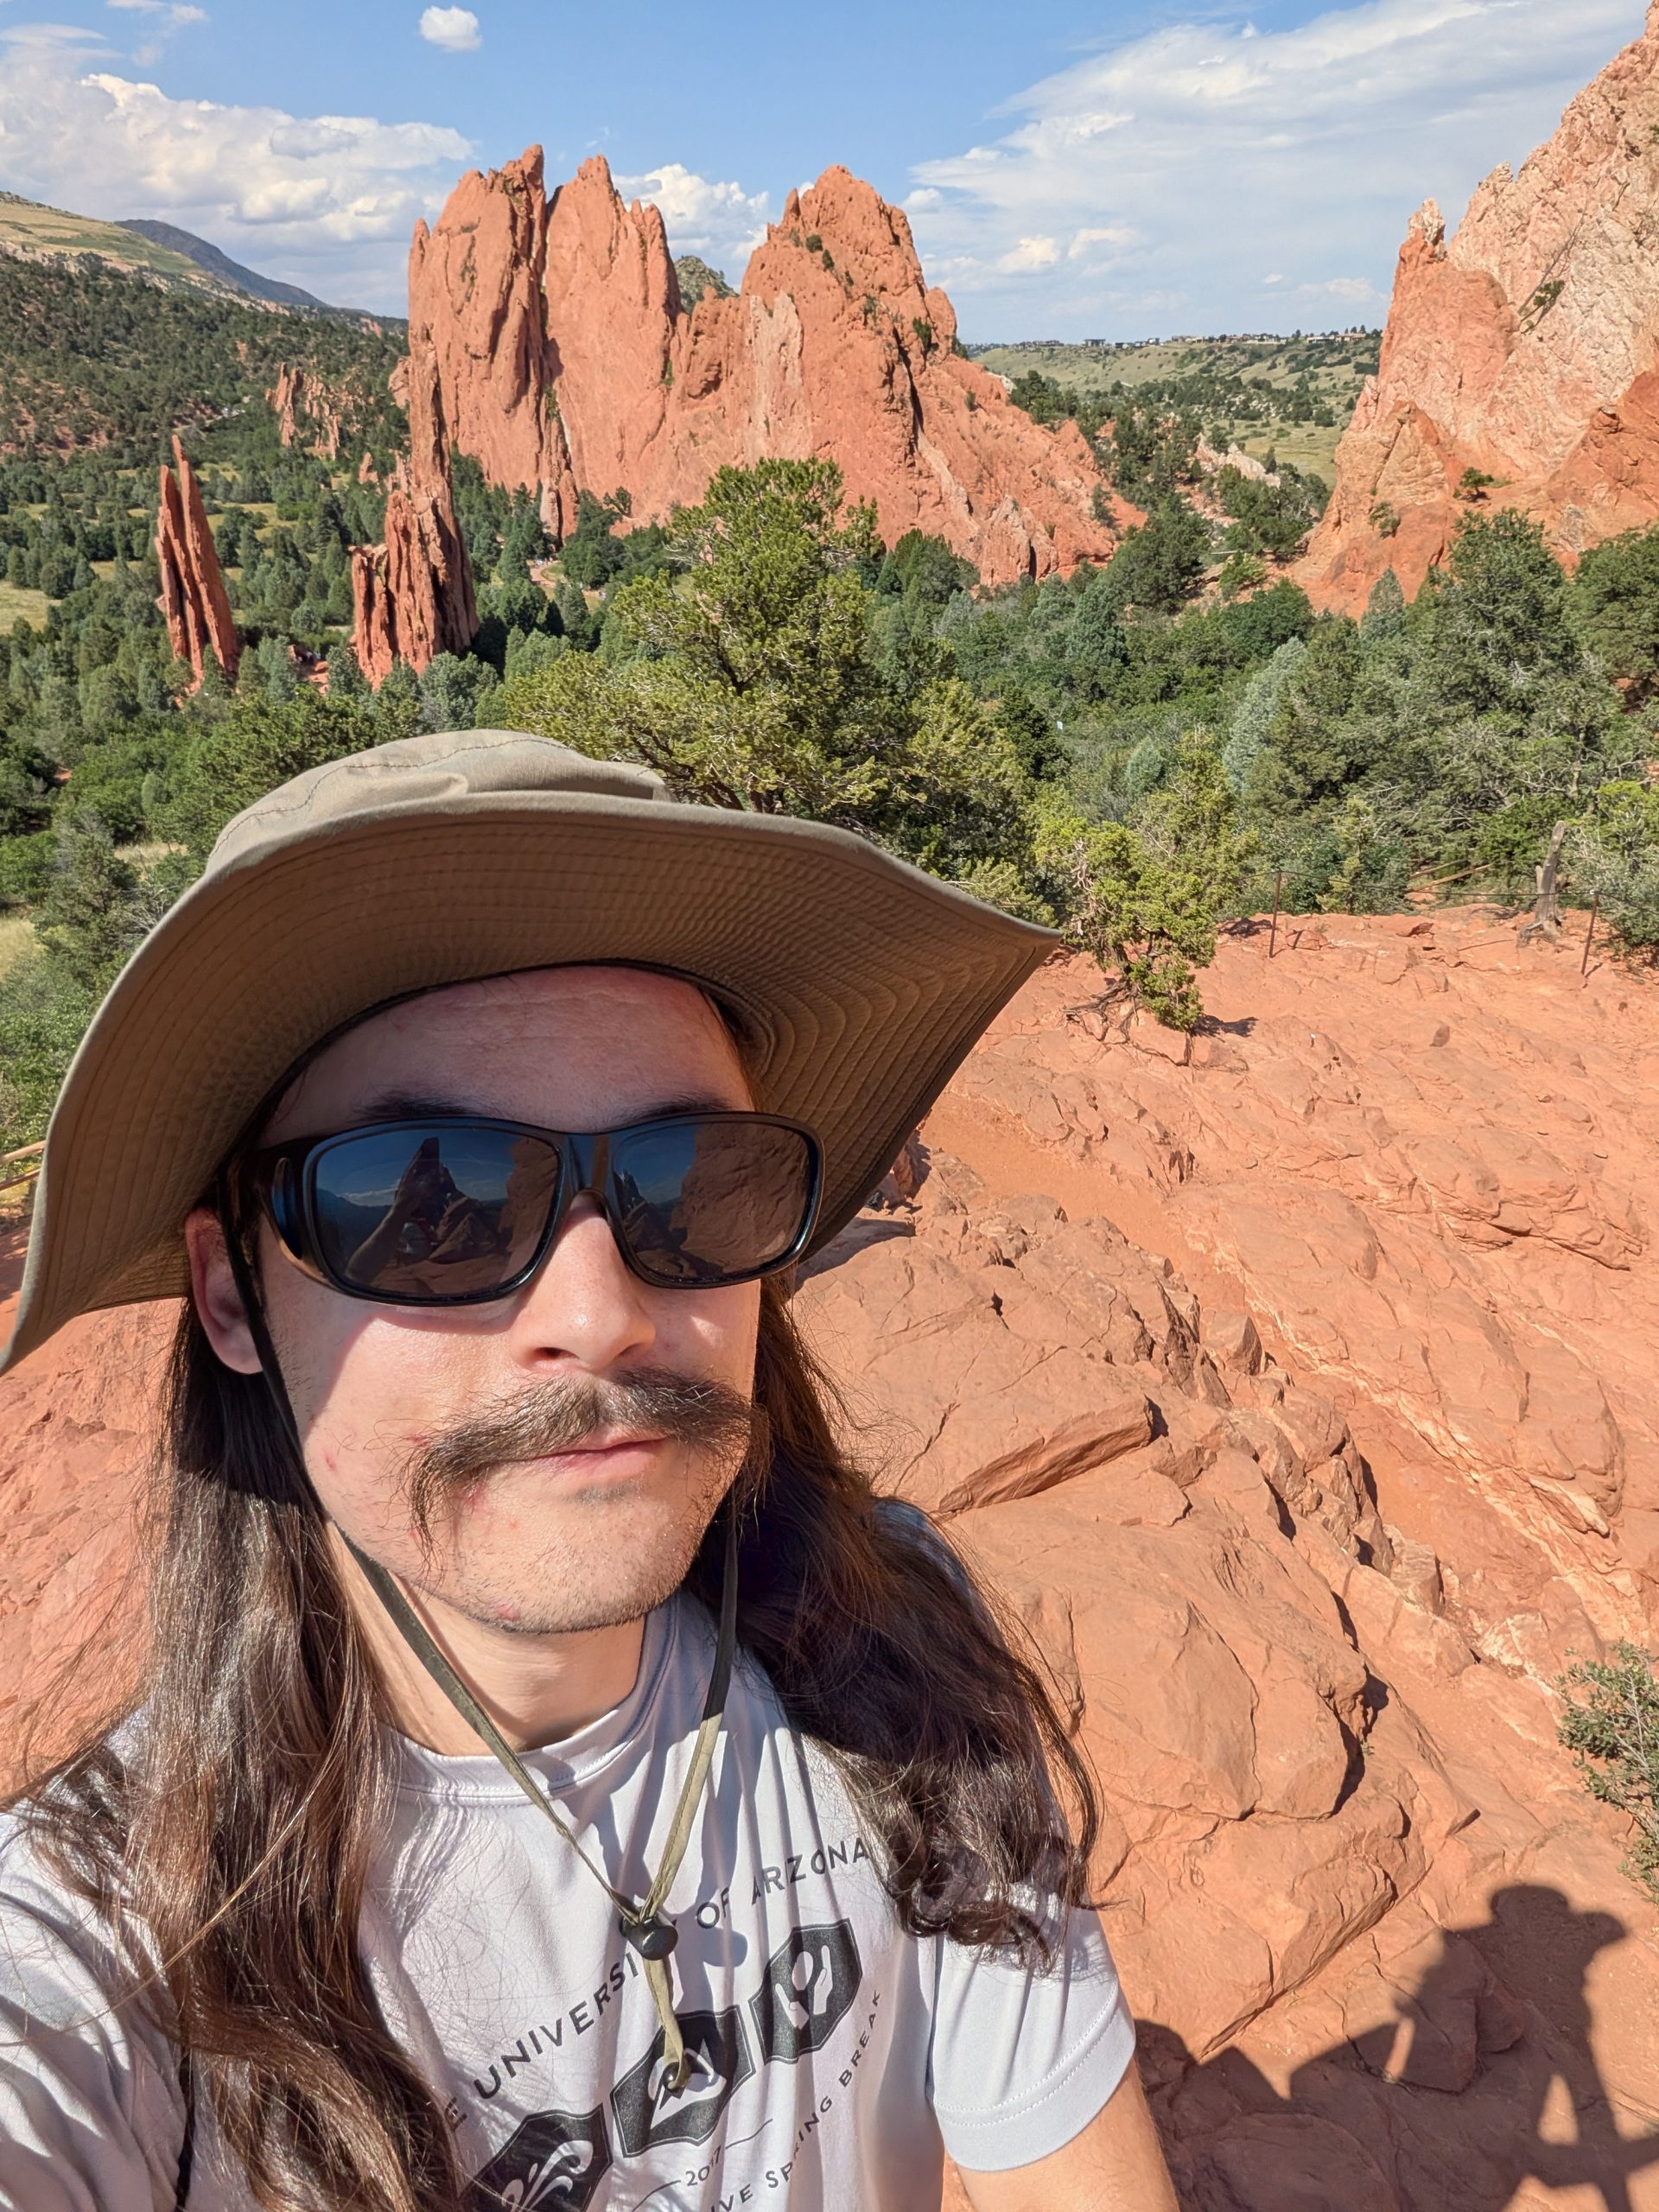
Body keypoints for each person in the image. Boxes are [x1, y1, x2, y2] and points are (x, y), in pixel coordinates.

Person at [0, 731, 1180, 2212]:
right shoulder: (106, 1946)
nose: (600, 1313)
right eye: (425, 1209)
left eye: (693, 1181)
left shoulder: (892, 1646)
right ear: (231, 1293)